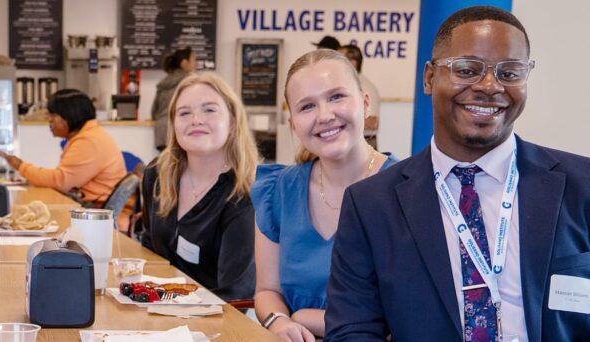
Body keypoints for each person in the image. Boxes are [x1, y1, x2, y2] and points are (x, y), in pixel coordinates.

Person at [326, 6, 590, 341]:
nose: (490, 86)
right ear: (429, 77)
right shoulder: (370, 205)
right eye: (467, 70)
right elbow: (353, 329)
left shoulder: (582, 186)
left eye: (510, 73)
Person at [251, 49, 396, 342]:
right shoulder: (277, 189)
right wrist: (281, 322)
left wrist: (308, 318)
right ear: (292, 122)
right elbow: (268, 291)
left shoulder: (405, 191)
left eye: (336, 97)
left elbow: (402, 315)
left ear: (365, 104)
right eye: (307, 107)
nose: (325, 116)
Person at [140, 72, 259, 301]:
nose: (196, 120)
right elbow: (149, 245)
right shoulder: (156, 175)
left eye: (209, 110)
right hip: (158, 309)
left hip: (218, 322)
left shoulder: (244, 195)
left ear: (233, 122)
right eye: (184, 113)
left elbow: (236, 295)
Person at [0, 89, 126, 207]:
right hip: (91, 208)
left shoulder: (89, 141)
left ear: (69, 115)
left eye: (53, 115)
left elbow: (60, 181)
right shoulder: (89, 135)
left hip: (97, 214)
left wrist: (21, 166)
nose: (49, 120)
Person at [152, 47, 196, 151]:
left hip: (161, 133)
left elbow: (154, 112)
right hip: (178, 132)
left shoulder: (163, 83)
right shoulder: (190, 82)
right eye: (194, 60)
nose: (196, 64)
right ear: (185, 63)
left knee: (167, 166)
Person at [337, 44, 381, 149]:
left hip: (364, 144)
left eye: (339, 59)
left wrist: (340, 120)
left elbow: (372, 122)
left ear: (353, 63)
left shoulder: (366, 87)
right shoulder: (346, 83)